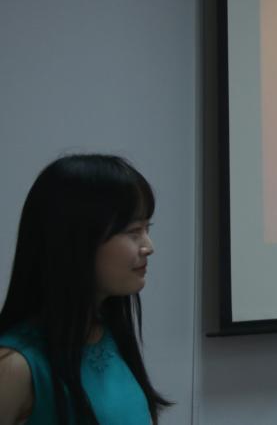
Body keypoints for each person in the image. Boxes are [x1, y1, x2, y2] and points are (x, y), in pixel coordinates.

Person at [0, 154, 170, 424]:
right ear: (77, 241)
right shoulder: (15, 365)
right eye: (133, 231)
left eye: (147, 228)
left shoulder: (109, 333)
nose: (149, 247)